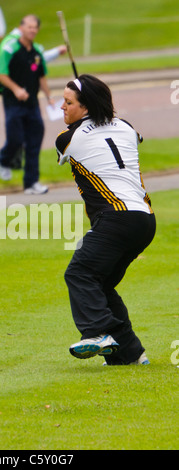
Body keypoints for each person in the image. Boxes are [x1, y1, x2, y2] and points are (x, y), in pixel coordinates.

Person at [56, 74, 156, 365]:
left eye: (68, 102)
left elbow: (70, 147)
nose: (62, 107)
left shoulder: (67, 139)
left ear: (85, 106)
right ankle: (129, 354)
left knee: (80, 273)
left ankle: (96, 332)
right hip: (145, 220)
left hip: (116, 219)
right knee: (99, 284)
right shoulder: (126, 126)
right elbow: (133, 135)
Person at [0, 15, 53, 195]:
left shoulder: (37, 51)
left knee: (35, 139)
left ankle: (31, 182)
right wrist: (16, 89)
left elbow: (41, 76)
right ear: (21, 28)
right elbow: (0, 73)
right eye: (29, 27)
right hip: (13, 102)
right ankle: (4, 160)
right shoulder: (10, 49)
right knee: (16, 138)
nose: (32, 30)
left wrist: (49, 97)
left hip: (32, 102)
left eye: (35, 27)